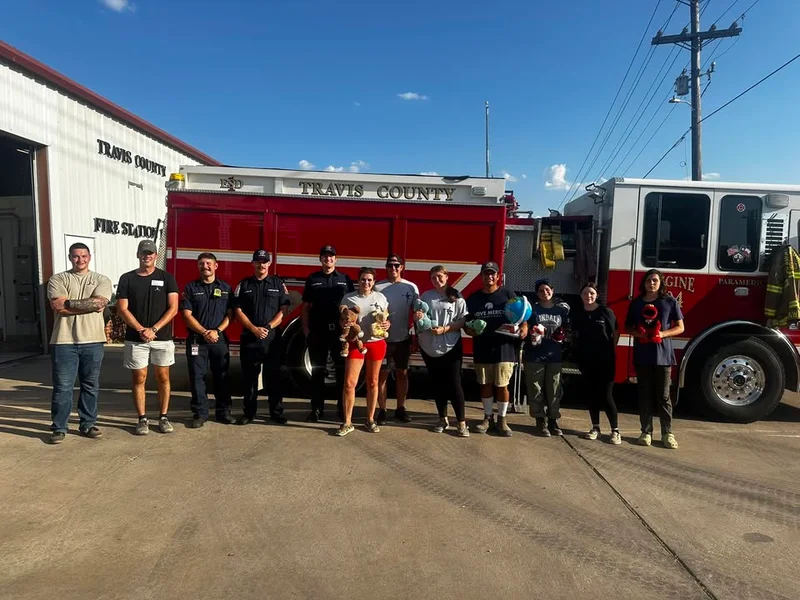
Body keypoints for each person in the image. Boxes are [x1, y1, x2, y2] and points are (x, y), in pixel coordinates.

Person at [45, 243, 112, 444]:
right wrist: (89, 305)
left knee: (90, 385)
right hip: (64, 341)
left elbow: (99, 302)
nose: (80, 260)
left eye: (84, 256)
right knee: (63, 387)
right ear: (69, 257)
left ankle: (88, 424)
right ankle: (59, 428)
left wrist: (69, 303)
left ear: (90, 256)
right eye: (76, 256)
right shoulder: (58, 279)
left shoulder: (101, 279)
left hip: (93, 341)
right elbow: (59, 307)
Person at [116, 239, 180, 435]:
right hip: (136, 339)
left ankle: (163, 417)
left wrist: (154, 328)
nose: (147, 256)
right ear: (138, 255)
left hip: (161, 338)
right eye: (143, 253)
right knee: (139, 377)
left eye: (150, 253)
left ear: (156, 256)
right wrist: (141, 329)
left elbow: (174, 308)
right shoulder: (127, 279)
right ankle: (142, 419)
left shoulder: (167, 278)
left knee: (163, 377)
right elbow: (122, 309)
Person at [625, 269, 685, 449]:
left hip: (663, 356)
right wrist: (639, 333)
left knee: (664, 396)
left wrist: (662, 333)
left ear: (661, 283)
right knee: (645, 395)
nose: (652, 283)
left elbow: (680, 327)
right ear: (644, 283)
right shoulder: (636, 304)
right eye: (649, 280)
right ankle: (646, 432)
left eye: (655, 280)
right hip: (643, 355)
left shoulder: (669, 301)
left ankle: (667, 433)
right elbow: (628, 326)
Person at [465, 261, 526, 437]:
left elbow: (523, 314)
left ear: (498, 276)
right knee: (485, 384)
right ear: (481, 276)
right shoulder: (474, 298)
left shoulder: (508, 294)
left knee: (502, 385)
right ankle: (487, 418)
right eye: (486, 273)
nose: (489, 277)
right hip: (482, 347)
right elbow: (466, 323)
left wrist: (524, 327)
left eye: (492, 273)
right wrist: (470, 330)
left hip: (504, 348)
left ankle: (502, 420)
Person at [233, 249, 291, 425]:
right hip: (250, 337)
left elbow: (284, 309)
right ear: (253, 263)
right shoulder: (244, 285)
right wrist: (253, 328)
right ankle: (249, 413)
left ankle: (276, 412)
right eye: (258, 261)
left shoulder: (278, 284)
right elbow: (237, 310)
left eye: (264, 262)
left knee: (273, 376)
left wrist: (267, 327)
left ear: (269, 264)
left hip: (272, 338)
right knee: (249, 377)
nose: (261, 265)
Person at [180, 252, 235, 428]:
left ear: (216, 266)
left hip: (219, 339)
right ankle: (200, 413)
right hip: (198, 340)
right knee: (197, 376)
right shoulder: (190, 288)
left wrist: (217, 331)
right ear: (198, 267)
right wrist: (205, 332)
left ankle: (223, 412)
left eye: (209, 263)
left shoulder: (226, 288)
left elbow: (230, 314)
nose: (205, 266)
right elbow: (187, 315)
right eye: (202, 264)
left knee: (222, 376)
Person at [301, 245, 354, 422]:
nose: (328, 259)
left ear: (336, 259)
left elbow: (353, 307)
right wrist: (306, 329)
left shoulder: (345, 279)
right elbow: (306, 307)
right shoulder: (313, 279)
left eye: (331, 257)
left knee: (341, 371)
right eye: (325, 256)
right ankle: (316, 409)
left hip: (339, 333)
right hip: (318, 331)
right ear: (320, 259)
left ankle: (342, 408)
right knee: (317, 371)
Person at [416, 266, 469, 436]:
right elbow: (422, 317)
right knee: (437, 384)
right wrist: (419, 316)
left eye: (439, 276)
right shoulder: (426, 296)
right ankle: (442, 419)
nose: (436, 280)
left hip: (451, 346)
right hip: (429, 347)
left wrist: (445, 329)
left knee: (454, 384)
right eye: (433, 278)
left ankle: (461, 423)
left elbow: (463, 321)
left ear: (447, 277)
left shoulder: (456, 297)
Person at [337, 267, 390, 436]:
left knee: (373, 382)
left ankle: (370, 419)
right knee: (349, 383)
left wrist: (387, 325)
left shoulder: (380, 298)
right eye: (363, 279)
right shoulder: (349, 298)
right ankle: (347, 422)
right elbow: (342, 320)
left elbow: (385, 319)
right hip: (355, 344)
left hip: (376, 343)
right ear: (358, 281)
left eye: (369, 280)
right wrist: (344, 325)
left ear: (374, 282)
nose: (366, 283)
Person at [571, 282, 621, 444]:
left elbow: (616, 331)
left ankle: (615, 431)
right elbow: (574, 335)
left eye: (591, 293)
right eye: (585, 293)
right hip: (586, 361)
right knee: (591, 395)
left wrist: (609, 350)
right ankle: (595, 428)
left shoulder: (606, 312)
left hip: (605, 361)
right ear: (581, 296)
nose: (588, 296)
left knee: (606, 396)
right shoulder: (578, 314)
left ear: (597, 295)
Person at [375, 254, 418, 425]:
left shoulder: (411, 287)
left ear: (402, 267)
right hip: (383, 339)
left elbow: (417, 314)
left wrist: (415, 336)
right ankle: (382, 410)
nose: (393, 268)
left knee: (402, 373)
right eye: (390, 265)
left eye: (396, 265)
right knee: (382, 375)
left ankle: (401, 408)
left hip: (403, 338)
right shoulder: (377, 287)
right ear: (386, 267)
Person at [524, 278, 570, 437]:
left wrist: (563, 336)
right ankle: (540, 420)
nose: (545, 293)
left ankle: (553, 420)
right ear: (537, 294)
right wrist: (531, 333)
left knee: (554, 389)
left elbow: (567, 332)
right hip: (534, 355)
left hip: (554, 356)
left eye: (547, 289)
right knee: (536, 389)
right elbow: (524, 330)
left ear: (552, 290)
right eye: (541, 291)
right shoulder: (532, 311)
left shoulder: (561, 311)